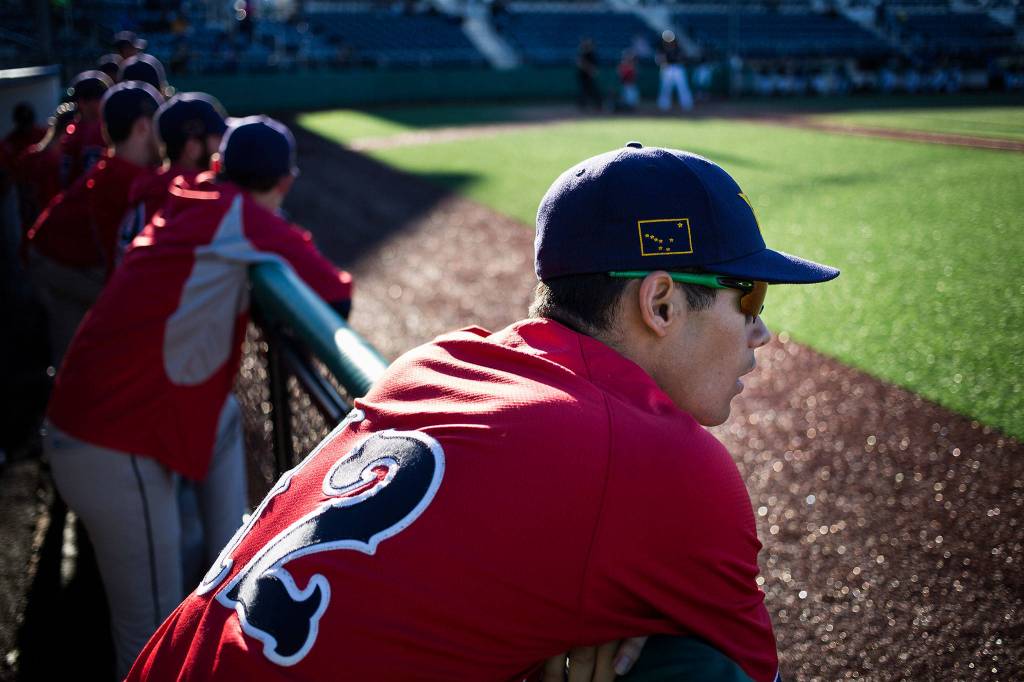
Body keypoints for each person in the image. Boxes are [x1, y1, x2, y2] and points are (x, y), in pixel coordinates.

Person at [127, 143, 839, 681]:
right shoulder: (665, 464)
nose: (761, 331)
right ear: (659, 302)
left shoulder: (438, 362)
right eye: (747, 296)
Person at [42, 115, 353, 678]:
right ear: (284, 182)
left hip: (90, 420)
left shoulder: (199, 194)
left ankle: (226, 566)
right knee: (152, 632)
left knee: (225, 420)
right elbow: (335, 294)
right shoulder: (240, 217)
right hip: (110, 440)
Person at [25, 81, 164, 365]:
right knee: (79, 358)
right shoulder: (126, 179)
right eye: (156, 124)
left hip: (58, 255)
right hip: (55, 263)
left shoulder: (120, 167)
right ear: (142, 128)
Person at [116, 91, 228, 261]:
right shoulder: (190, 194)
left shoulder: (151, 183)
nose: (222, 148)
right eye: (218, 138)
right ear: (192, 148)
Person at [59, 70, 113, 188]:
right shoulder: (94, 131)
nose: (104, 103)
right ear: (82, 102)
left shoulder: (70, 130)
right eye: (99, 99)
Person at [656, 31, 693, 112]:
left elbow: (684, 58)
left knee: (682, 87)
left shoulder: (678, 46)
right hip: (667, 68)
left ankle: (686, 104)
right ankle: (663, 106)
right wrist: (662, 63)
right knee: (665, 88)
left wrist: (681, 61)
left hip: (677, 68)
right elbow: (659, 59)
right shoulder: (661, 47)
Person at [576, 38, 602, 111]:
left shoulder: (592, 54)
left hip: (589, 76)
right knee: (584, 91)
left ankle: (598, 105)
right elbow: (580, 64)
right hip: (583, 76)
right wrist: (589, 69)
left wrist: (593, 70)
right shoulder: (583, 54)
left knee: (593, 90)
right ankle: (583, 106)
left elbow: (595, 67)